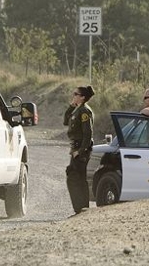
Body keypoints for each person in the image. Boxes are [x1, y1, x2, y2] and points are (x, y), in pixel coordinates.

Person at [63, 85, 95, 214]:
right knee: (75, 177)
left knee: (77, 178)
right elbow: (66, 121)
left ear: (82, 97)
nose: (73, 96)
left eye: (76, 94)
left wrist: (80, 151)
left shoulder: (84, 111)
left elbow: (88, 133)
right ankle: (80, 208)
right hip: (76, 147)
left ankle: (82, 208)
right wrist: (71, 106)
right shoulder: (78, 109)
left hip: (81, 148)